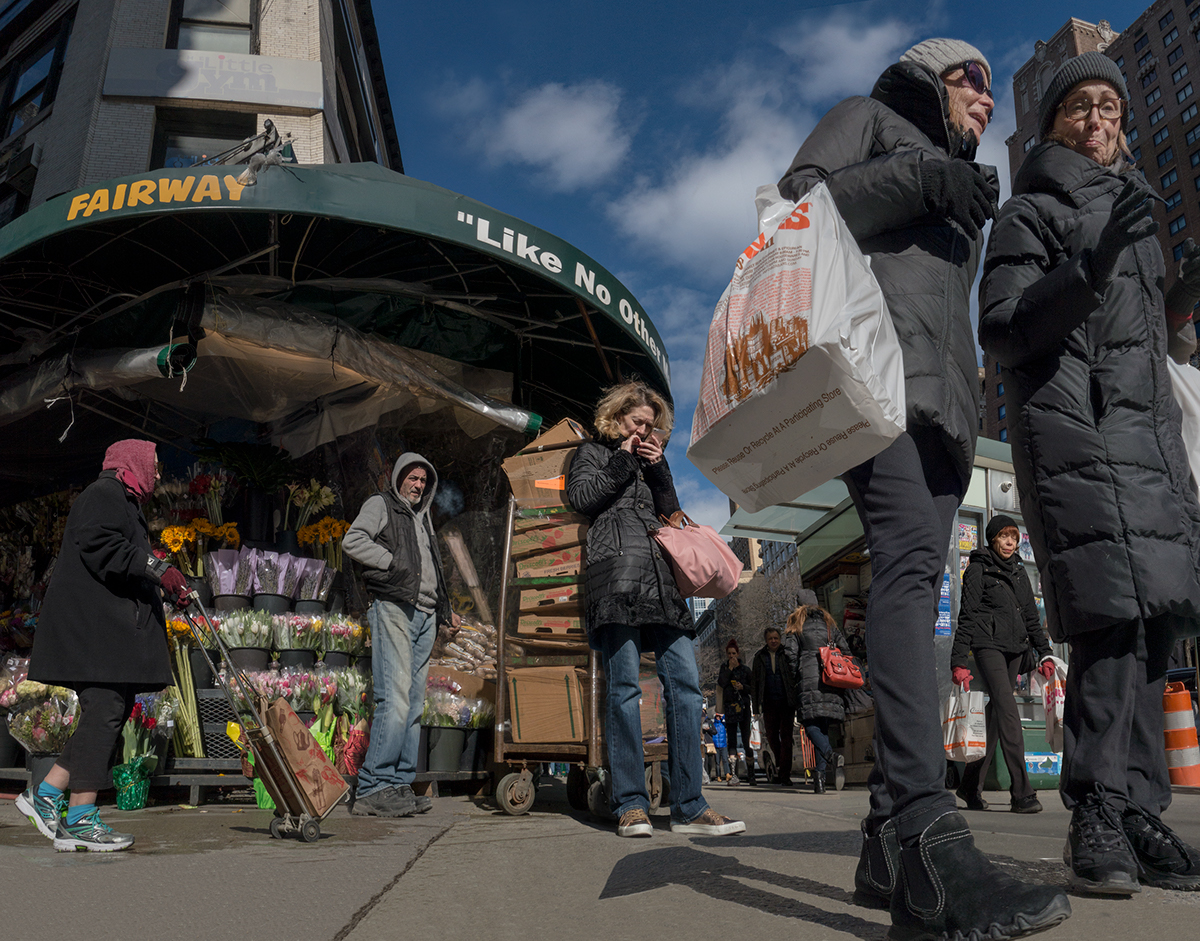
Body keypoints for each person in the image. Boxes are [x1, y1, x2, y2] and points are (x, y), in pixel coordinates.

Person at [779, 37, 1070, 937]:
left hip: (943, 403)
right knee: (906, 577)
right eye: (971, 81)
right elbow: (800, 204)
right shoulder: (871, 120)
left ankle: (879, 846)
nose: (987, 100)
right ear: (929, 78)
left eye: (991, 90)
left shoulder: (962, 187)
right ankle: (924, 831)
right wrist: (926, 182)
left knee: (919, 577)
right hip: (873, 383)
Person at [980, 51, 1200, 895]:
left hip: (1151, 450)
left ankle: (1141, 811)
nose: (1099, 119)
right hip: (1078, 435)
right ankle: (1097, 811)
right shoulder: (1029, 212)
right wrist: (1088, 267)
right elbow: (1001, 329)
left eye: (1110, 105)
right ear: (1053, 126)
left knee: (1154, 628)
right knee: (1109, 621)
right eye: (1080, 106)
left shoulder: (1140, 224)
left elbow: (1150, 355)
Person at [567, 381, 744, 837]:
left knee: (685, 687)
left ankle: (690, 805)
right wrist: (625, 458)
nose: (644, 429)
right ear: (617, 418)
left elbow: (671, 515)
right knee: (624, 689)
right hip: (616, 578)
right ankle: (630, 804)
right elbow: (583, 499)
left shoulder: (651, 463)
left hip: (663, 584)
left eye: (651, 425)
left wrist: (660, 469)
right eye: (637, 422)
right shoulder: (592, 452)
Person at [18, 439, 186, 852]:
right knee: (106, 711)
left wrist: (162, 581)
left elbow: (119, 554)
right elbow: (101, 546)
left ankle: (47, 793)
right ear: (134, 463)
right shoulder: (103, 494)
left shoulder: (123, 501)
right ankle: (81, 818)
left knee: (110, 711)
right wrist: (155, 567)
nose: (160, 473)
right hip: (94, 635)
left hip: (105, 636)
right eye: (155, 465)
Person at [342, 452, 461, 818]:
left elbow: (429, 571)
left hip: (424, 614)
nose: (418, 484)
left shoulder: (423, 521)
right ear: (398, 479)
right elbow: (353, 541)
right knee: (393, 699)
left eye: (424, 480)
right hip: (394, 607)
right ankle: (374, 786)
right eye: (412, 477)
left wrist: (444, 608)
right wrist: (391, 562)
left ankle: (398, 784)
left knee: (412, 703)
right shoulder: (381, 505)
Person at [951, 515, 1054, 814]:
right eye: (1004, 537)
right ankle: (1022, 792)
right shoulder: (977, 570)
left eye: (1014, 537)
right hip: (988, 647)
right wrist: (958, 661)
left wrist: (1045, 652)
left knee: (997, 716)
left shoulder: (1020, 571)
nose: (1010, 542)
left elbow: (1031, 618)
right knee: (1008, 710)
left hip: (1015, 650)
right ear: (993, 539)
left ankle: (970, 785)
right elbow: (966, 617)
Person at [783, 593, 847, 795]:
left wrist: (797, 673)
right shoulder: (829, 623)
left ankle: (830, 756)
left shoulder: (797, 623)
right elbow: (845, 649)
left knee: (809, 723)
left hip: (808, 678)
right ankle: (819, 783)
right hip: (829, 679)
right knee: (823, 727)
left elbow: (789, 653)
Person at [751, 627, 796, 786]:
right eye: (771, 638)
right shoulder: (759, 657)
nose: (774, 641)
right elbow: (755, 684)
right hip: (769, 702)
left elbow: (793, 675)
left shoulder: (787, 654)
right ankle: (780, 761)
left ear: (780, 639)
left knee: (786, 738)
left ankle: (785, 774)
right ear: (766, 640)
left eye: (776, 638)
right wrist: (756, 708)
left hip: (786, 702)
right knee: (771, 736)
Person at [717, 638, 755, 785]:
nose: (732, 656)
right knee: (731, 740)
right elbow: (721, 683)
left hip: (744, 707)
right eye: (729, 654)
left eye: (734, 653)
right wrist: (730, 669)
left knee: (746, 740)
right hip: (730, 708)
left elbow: (752, 688)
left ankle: (751, 773)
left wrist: (742, 687)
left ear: (738, 654)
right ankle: (733, 774)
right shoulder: (724, 668)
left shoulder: (745, 670)